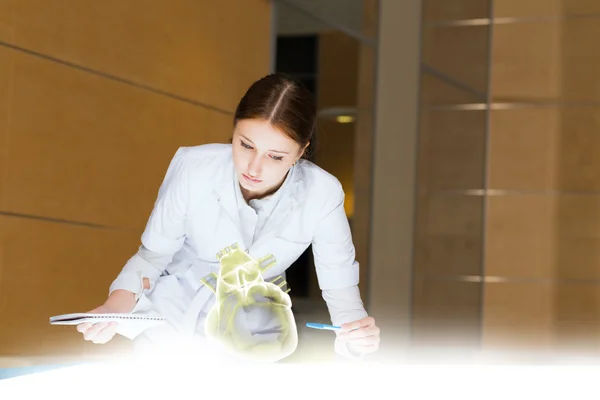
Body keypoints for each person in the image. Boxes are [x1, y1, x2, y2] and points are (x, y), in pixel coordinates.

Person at [77, 73, 380, 360]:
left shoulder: (322, 193)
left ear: (301, 152)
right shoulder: (194, 168)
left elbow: (339, 284)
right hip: (171, 322)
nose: (254, 167)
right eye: (246, 145)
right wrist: (113, 309)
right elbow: (152, 257)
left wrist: (355, 333)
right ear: (234, 130)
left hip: (253, 333)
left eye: (276, 156)